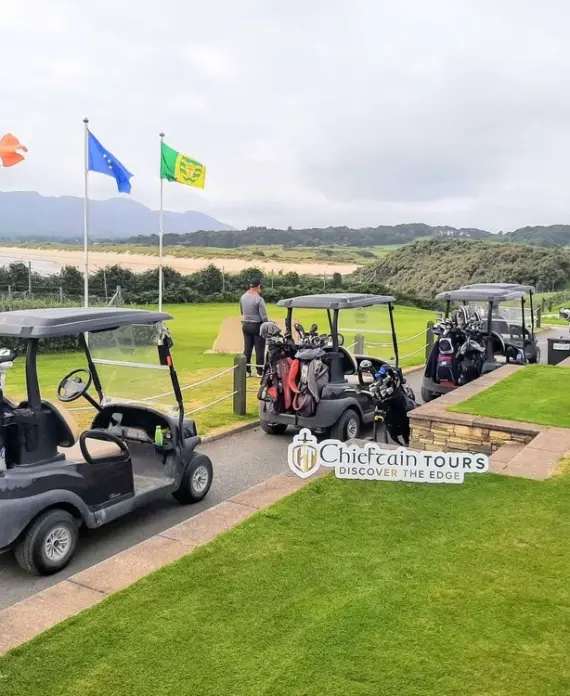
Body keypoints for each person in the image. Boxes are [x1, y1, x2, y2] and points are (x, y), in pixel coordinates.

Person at [239, 280, 268, 377]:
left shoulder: (243, 297)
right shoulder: (258, 299)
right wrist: (267, 325)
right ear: (258, 286)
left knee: (247, 349)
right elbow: (263, 316)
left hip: (246, 325)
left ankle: (247, 371)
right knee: (259, 349)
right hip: (257, 326)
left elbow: (242, 312)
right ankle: (260, 371)